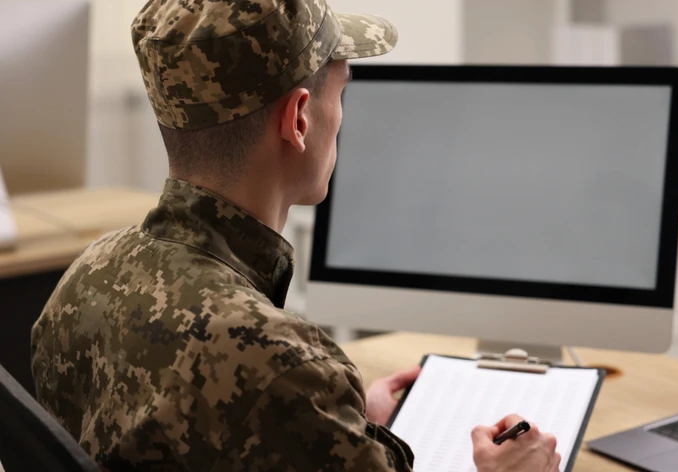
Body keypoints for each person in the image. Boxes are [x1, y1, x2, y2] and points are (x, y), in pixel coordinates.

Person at [30, 0, 561, 470]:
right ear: (300, 120)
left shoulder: (87, 278)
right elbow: (258, 387)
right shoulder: (279, 366)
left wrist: (335, 425)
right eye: (342, 93)